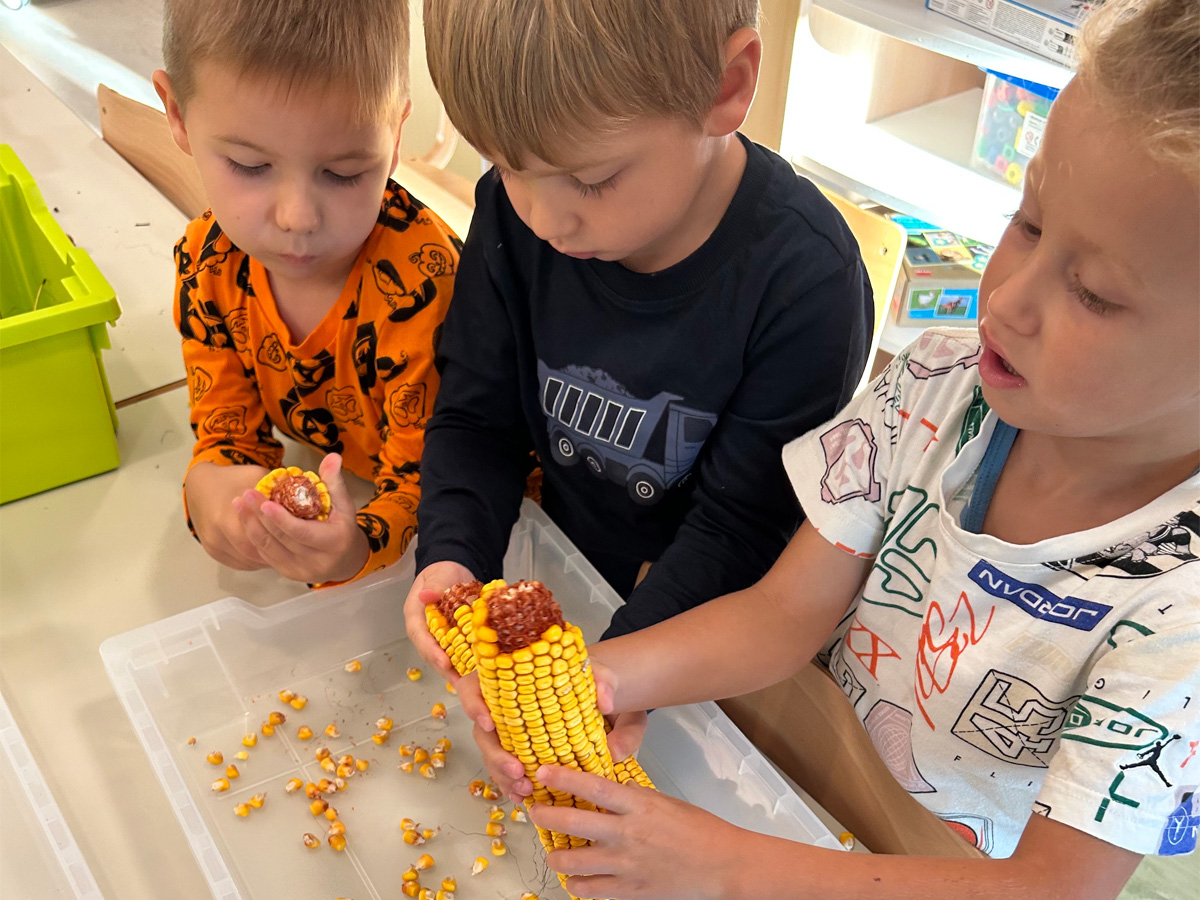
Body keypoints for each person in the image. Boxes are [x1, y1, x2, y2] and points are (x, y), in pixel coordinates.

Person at [460, 0, 1200, 895]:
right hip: (806, 789)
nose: (1005, 299)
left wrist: (723, 865)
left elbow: (1052, 888)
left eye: (1093, 293)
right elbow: (785, 612)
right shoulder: (934, 386)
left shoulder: (1181, 611)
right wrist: (602, 679)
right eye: (1029, 223)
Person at [404, 0, 873, 723]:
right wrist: (453, 557)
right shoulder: (513, 213)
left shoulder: (806, 284)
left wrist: (613, 675)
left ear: (726, 87)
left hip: (709, 648)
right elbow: (477, 422)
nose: (544, 220)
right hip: (566, 567)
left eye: (592, 180)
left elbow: (740, 530)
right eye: (505, 166)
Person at [153, 0, 459, 586]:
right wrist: (215, 485)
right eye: (250, 165)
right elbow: (227, 433)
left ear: (396, 134)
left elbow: (440, 479)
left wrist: (357, 547)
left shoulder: (422, 283)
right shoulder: (207, 265)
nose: (298, 218)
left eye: (344, 173)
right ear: (178, 115)